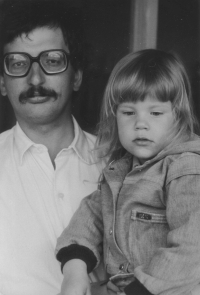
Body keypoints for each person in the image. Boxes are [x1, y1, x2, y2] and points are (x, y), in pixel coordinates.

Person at [56, 49, 200, 295]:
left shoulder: (185, 169)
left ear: (178, 116)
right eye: (129, 112)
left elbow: (192, 247)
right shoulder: (119, 170)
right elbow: (89, 217)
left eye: (155, 113)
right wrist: (75, 269)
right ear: (115, 116)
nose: (140, 123)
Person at [0, 0, 105, 294]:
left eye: (53, 60)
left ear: (77, 76)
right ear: (2, 82)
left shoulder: (119, 163)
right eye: (18, 63)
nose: (35, 78)